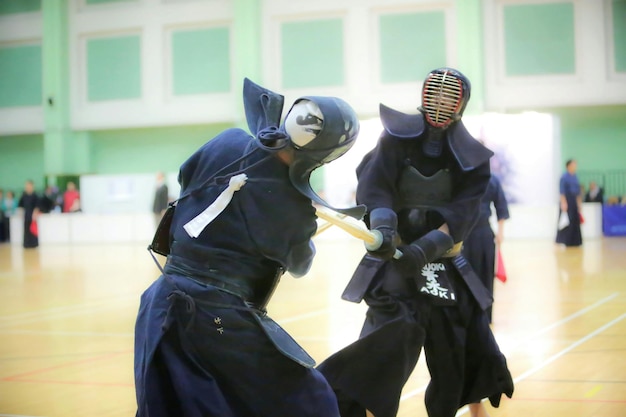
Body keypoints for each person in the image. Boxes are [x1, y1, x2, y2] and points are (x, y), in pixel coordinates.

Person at [134, 78, 364, 417]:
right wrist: (301, 224)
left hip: (160, 303)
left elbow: (188, 177)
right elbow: (299, 264)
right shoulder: (293, 206)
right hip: (218, 322)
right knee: (312, 405)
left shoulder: (228, 141)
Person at [316, 68, 514, 417]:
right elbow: (376, 185)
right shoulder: (394, 139)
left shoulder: (473, 159)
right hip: (396, 260)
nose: (440, 102)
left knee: (456, 345)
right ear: (424, 96)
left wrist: (426, 249)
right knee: (387, 337)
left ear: (460, 104)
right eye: (434, 94)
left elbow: (464, 212)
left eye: (448, 96)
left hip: (446, 263)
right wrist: (384, 225)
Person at [462, 174, 510, 324]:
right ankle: (466, 314)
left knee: (486, 274)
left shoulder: (492, 179)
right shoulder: (463, 177)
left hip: (484, 233)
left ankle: (485, 315)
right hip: (463, 234)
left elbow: (501, 206)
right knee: (464, 275)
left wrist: (501, 233)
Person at [556, 159, 582, 247]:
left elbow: (578, 192)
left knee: (575, 220)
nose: (575, 166)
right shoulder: (564, 177)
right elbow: (562, 191)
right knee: (567, 221)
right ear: (568, 166)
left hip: (574, 200)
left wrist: (579, 203)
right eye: (573, 164)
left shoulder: (575, 176)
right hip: (567, 200)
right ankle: (566, 241)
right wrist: (563, 203)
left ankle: (575, 241)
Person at [18, 180, 40, 249]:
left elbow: (37, 206)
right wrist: (20, 213)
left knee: (33, 230)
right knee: (26, 230)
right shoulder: (24, 196)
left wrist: (35, 213)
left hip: (33, 216)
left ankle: (34, 244)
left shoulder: (35, 195)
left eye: (29, 186)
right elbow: (20, 205)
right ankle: (27, 244)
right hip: (26, 215)